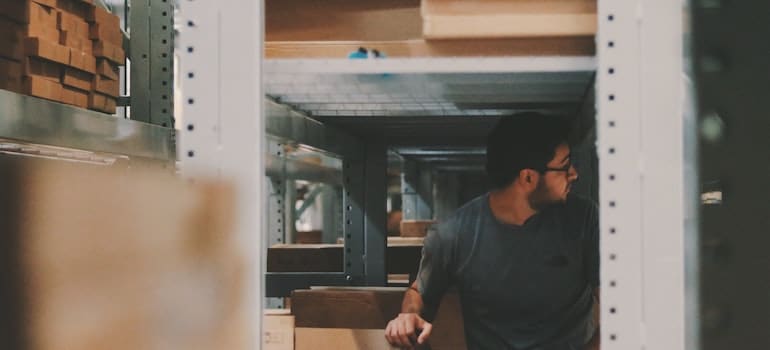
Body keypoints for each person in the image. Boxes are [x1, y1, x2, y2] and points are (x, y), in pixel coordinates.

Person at [385, 113, 600, 350]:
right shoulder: (454, 234)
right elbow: (420, 293)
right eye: (565, 165)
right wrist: (408, 315)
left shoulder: (584, 218)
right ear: (528, 177)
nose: (574, 174)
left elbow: (617, 305)